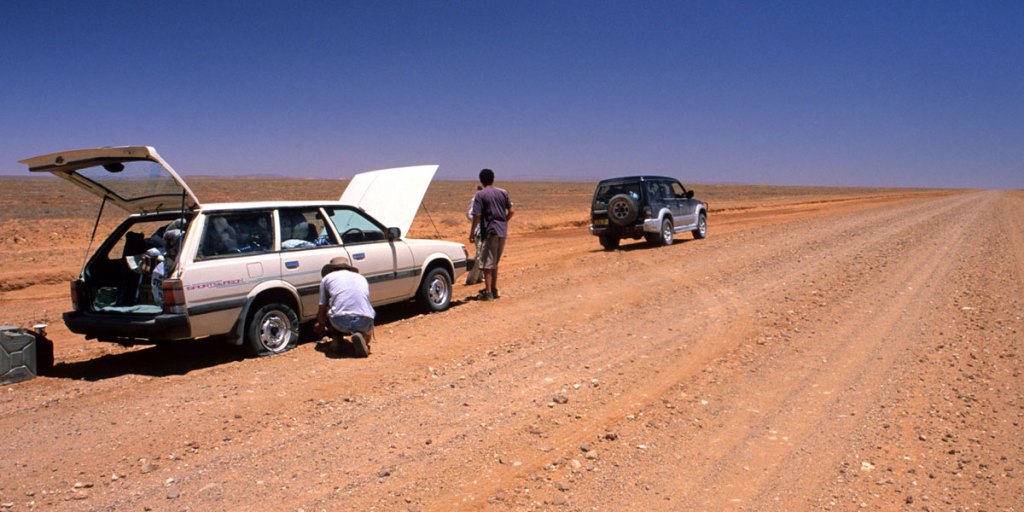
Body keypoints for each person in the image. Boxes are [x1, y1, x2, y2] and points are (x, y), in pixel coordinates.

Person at [315, 256, 375, 355]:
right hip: (364, 321)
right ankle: (363, 338)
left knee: (332, 306)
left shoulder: (327, 278)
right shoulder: (361, 277)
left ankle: (337, 341)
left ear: (331, 269)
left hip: (340, 322)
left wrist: (320, 324)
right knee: (365, 310)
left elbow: (322, 305)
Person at [469, 168, 514, 301]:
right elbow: (511, 211)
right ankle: (493, 288)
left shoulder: (480, 195)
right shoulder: (503, 193)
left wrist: (472, 232)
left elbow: (477, 215)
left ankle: (488, 292)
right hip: (502, 231)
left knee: (488, 263)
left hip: (490, 231)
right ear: (493, 179)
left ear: (481, 180)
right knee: (494, 261)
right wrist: (504, 221)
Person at [465, 185, 484, 285]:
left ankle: (479, 276)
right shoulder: (475, 200)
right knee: (479, 255)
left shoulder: (489, 198)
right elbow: (469, 214)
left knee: (484, 255)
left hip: (488, 231)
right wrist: (478, 219)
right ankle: (471, 278)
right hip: (479, 231)